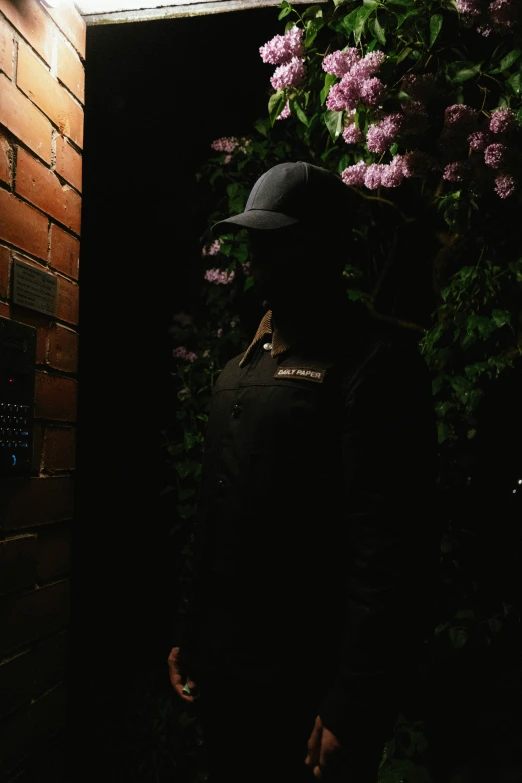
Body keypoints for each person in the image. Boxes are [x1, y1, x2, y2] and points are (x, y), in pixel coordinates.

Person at [168, 161, 440, 782]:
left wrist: (354, 703)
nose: (256, 252)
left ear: (323, 248)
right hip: (226, 678)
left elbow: (392, 552)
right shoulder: (243, 364)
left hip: (303, 692)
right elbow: (214, 512)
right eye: (253, 236)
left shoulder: (375, 363)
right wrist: (188, 630)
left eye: (276, 237)